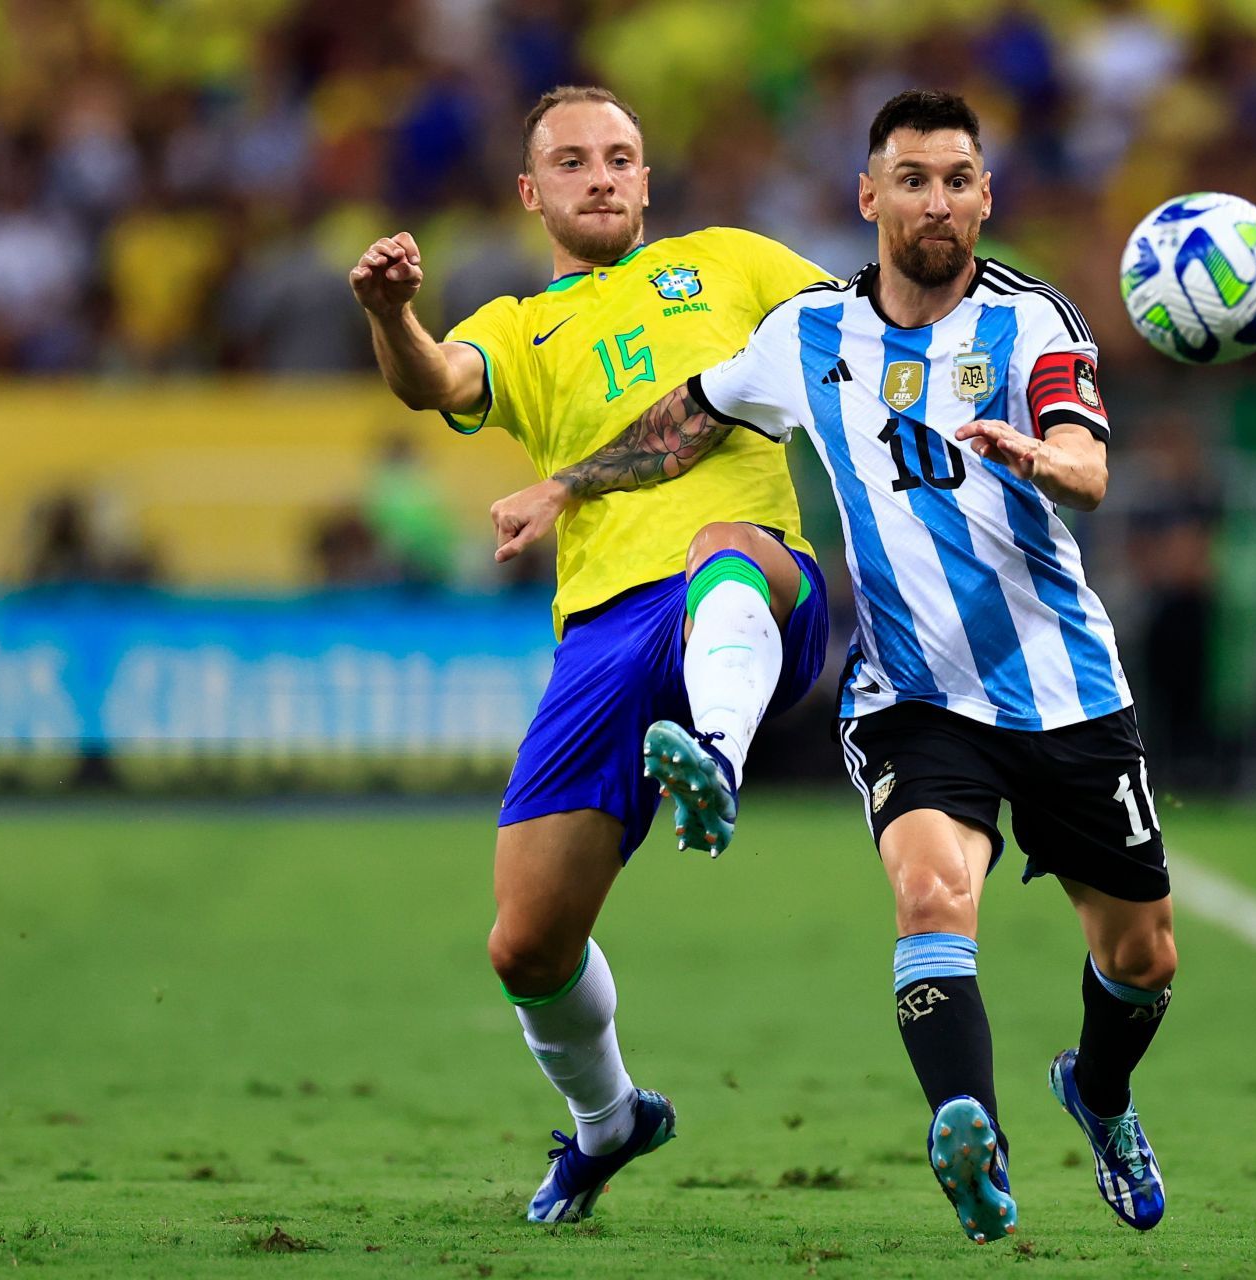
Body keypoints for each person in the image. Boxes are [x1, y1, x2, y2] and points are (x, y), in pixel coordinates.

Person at [492, 89, 1179, 1244]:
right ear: (870, 198)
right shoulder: (812, 335)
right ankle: (973, 1131)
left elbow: (1087, 456)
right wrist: (565, 485)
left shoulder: (1033, 321)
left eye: (959, 179)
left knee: (1140, 954)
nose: (938, 201)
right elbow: (688, 418)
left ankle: (1099, 1092)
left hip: (1063, 690)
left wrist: (1046, 458)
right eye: (912, 178)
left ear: (984, 198)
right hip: (911, 692)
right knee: (930, 893)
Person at [348, 84, 835, 1224]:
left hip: (756, 582)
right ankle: (612, 1120)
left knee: (724, 547)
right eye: (573, 161)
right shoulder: (521, 326)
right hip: (604, 633)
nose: (603, 175)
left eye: (621, 156)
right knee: (526, 942)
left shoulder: (732, 262)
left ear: (649, 178)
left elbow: (860, 332)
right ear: (532, 193)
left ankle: (714, 756)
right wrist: (390, 315)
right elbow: (436, 381)